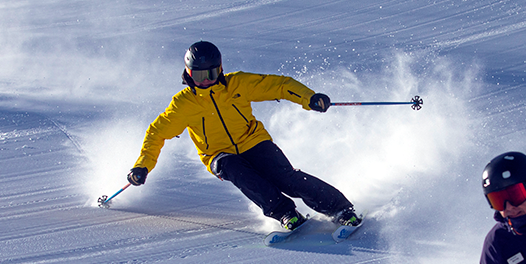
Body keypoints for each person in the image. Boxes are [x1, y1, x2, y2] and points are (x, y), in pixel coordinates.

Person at [127, 41, 361, 232]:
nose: (206, 80)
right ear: (188, 73)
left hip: (253, 139)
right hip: (218, 154)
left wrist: (309, 98)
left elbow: (280, 85)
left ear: (220, 69)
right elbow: (156, 134)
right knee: (242, 175)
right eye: (198, 76)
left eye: (210, 73)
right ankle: (286, 214)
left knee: (285, 178)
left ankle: (341, 210)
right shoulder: (183, 104)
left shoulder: (238, 83)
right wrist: (142, 166)